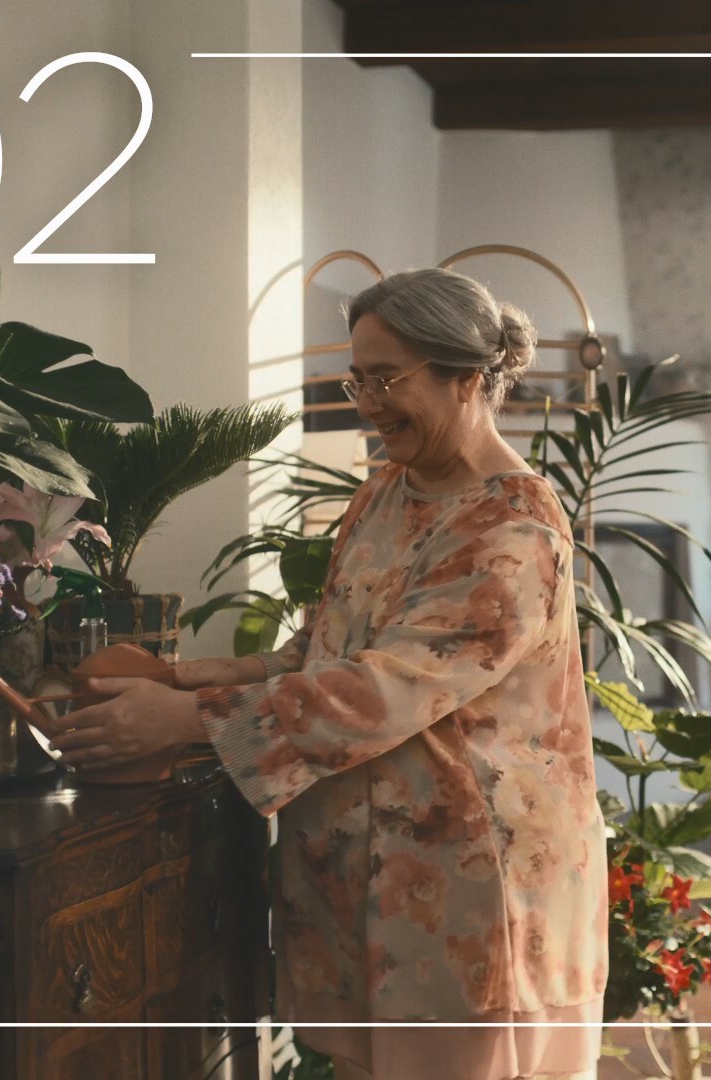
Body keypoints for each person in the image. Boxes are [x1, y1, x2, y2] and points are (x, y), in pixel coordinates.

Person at [44, 268, 607, 1080]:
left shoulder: (511, 524)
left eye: (388, 378)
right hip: (365, 875)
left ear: (469, 379)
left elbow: (389, 688)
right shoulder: (383, 495)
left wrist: (189, 723)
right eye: (359, 378)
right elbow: (322, 655)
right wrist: (184, 681)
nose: (368, 402)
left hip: (473, 888)